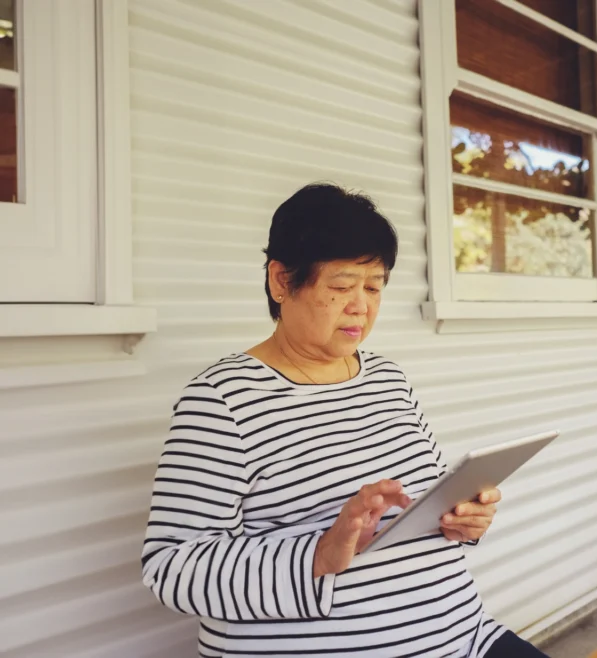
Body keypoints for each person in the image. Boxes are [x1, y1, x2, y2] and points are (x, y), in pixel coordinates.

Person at [141, 183, 550, 657]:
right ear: (281, 281)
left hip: (465, 640)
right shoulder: (222, 400)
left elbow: (423, 501)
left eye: (374, 286)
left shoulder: (387, 379)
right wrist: (320, 553)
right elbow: (171, 567)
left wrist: (464, 519)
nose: (361, 305)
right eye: (340, 287)